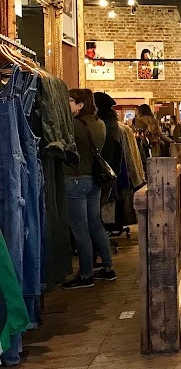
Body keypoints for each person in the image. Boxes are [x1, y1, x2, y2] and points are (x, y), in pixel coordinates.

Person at [63, 89, 115, 288]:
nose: (66, 104)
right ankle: (108, 268)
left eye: (69, 101)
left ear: (80, 105)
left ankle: (86, 275)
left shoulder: (73, 125)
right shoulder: (99, 124)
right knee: (95, 224)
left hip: (75, 178)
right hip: (94, 179)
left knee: (80, 230)